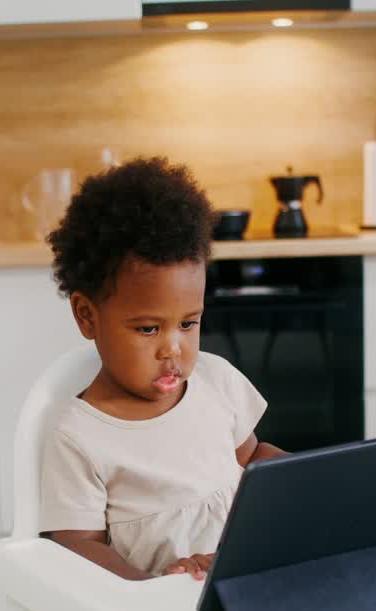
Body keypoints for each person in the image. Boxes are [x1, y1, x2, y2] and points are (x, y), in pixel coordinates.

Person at [38, 156, 285, 582]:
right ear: (87, 315)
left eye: (189, 323)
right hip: (159, 610)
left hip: (247, 578)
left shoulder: (216, 380)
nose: (173, 348)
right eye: (149, 328)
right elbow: (78, 546)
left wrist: (315, 479)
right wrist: (149, 587)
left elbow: (254, 460)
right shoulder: (78, 438)